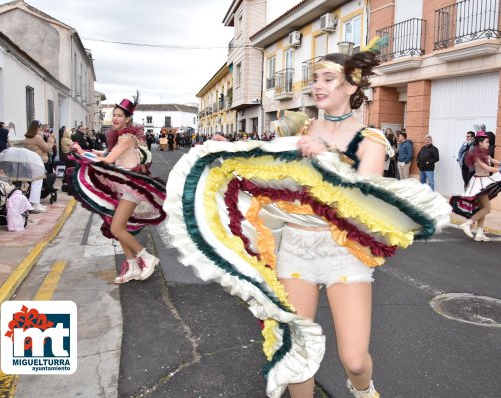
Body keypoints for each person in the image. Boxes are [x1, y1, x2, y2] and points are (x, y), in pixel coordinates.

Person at [168, 47, 451, 398]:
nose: (318, 86)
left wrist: (327, 160)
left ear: (351, 86)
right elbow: (266, 171)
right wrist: (229, 151)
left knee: (356, 360)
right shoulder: (298, 131)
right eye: (316, 78)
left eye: (328, 79)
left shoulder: (370, 140)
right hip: (296, 251)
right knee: (298, 352)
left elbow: (362, 202)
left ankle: (364, 392)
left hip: (343, 254)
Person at [70, 95, 166, 284]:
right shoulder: (123, 137)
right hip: (125, 187)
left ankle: (145, 257)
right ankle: (132, 265)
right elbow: (105, 154)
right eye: (113, 115)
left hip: (131, 188)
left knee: (116, 227)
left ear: (128, 119)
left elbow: (107, 160)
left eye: (119, 115)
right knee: (118, 227)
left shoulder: (126, 138)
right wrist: (87, 152)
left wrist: (82, 154)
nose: (115, 118)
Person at [451, 131, 501, 241]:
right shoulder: (476, 155)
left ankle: (480, 232)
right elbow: (487, 168)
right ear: (480, 143)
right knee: (487, 208)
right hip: (479, 183)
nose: (488, 144)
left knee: (483, 208)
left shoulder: (484, 153)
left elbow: (493, 160)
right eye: (486, 142)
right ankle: (467, 223)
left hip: (484, 181)